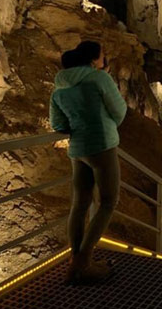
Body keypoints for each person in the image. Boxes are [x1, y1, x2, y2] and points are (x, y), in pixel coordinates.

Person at [49, 41, 127, 284]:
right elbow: (120, 111)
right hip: (102, 146)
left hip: (78, 150)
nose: (105, 58)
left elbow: (58, 124)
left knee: (80, 204)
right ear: (94, 59)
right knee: (108, 202)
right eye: (103, 54)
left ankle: (77, 260)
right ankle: (82, 264)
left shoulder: (59, 87)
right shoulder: (98, 78)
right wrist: (103, 122)